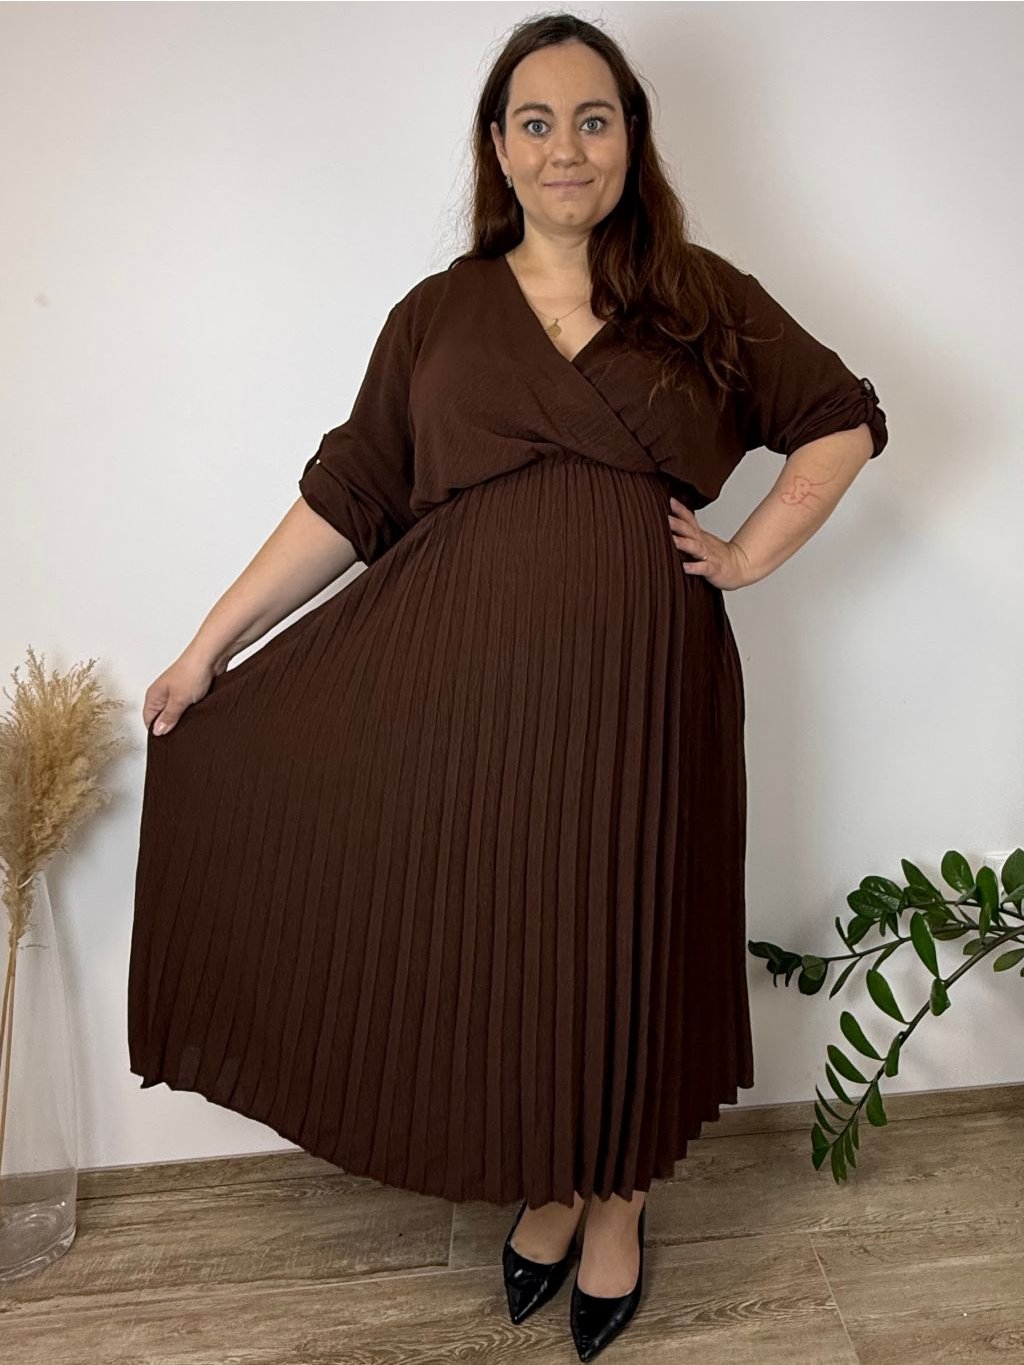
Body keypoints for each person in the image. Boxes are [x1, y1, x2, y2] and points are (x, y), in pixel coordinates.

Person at [127, 13, 888, 1361]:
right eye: (536, 122)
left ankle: (617, 1198)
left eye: (594, 119)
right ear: (498, 146)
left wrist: (748, 554)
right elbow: (350, 494)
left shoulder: (701, 297)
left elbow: (839, 415)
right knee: (519, 934)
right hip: (467, 688)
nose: (565, 147)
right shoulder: (438, 313)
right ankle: (550, 1177)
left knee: (630, 924)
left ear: (632, 136)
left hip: (645, 685)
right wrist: (207, 646)